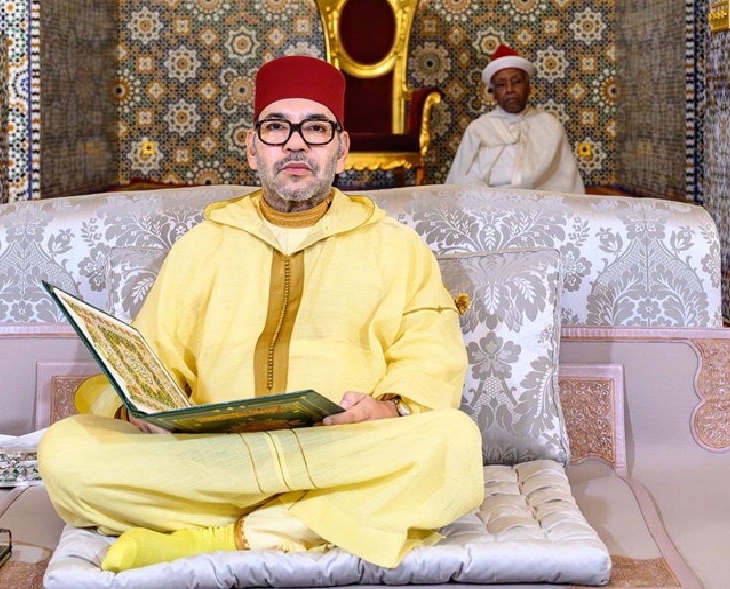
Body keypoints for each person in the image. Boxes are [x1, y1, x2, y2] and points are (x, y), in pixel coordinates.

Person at [37, 55, 483, 573]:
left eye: (315, 128)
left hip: (339, 451)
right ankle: (314, 521)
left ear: (341, 150)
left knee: (452, 443)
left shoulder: (396, 247)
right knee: (64, 451)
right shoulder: (202, 245)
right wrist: (138, 408)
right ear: (253, 148)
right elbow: (150, 360)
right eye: (276, 128)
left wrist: (382, 411)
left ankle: (224, 536)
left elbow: (430, 357)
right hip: (215, 458)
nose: (295, 144)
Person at [446, 44, 585, 194]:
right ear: (493, 93)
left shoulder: (550, 126)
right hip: (488, 202)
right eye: (501, 85)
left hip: (539, 202)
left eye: (516, 81)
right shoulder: (479, 129)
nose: (510, 89)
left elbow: (565, 183)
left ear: (528, 87)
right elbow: (463, 180)